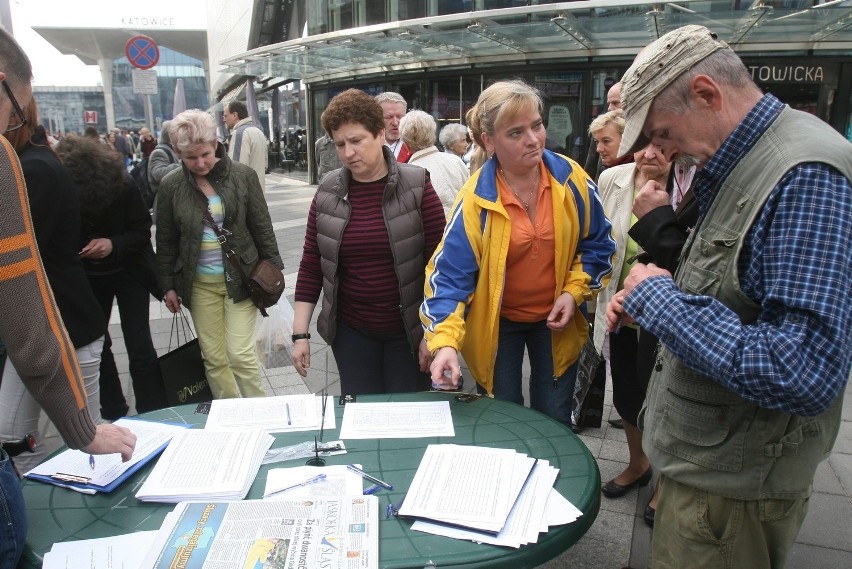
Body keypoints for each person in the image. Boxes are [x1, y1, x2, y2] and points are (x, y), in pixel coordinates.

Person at [606, 25, 852, 568]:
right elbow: (736, 285)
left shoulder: (804, 175)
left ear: (706, 94)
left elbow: (802, 368)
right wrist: (658, 287)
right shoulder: (745, 157)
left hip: (732, 490)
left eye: (661, 131)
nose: (656, 150)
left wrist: (661, 300)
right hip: (712, 468)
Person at [0, 29, 136, 568]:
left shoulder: (31, 166)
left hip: (71, 320)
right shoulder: (15, 165)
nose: (13, 123)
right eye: (15, 110)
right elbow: (22, 297)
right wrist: (80, 430)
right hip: (61, 321)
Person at [421, 79, 615, 429]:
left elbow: (599, 244)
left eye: (537, 125)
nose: (533, 139)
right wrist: (445, 343)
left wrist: (574, 293)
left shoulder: (571, 179)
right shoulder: (476, 199)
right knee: (502, 419)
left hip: (556, 322)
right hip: (498, 326)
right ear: (489, 141)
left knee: (554, 418)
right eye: (516, 133)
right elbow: (449, 276)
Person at [292, 89, 445, 395]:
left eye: (356, 140)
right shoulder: (327, 191)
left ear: (379, 134)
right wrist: (300, 334)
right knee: (360, 415)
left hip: (410, 332)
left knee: (407, 416)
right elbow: (312, 263)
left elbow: (440, 267)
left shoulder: (417, 185)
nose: (348, 153)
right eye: (340, 144)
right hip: (352, 332)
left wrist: (435, 333)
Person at [0, 104, 107, 472]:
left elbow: (22, 271)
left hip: (60, 327)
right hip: (53, 325)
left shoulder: (27, 168)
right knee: (15, 435)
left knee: (88, 447)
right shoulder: (38, 161)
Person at [156, 109, 282, 399]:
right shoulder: (171, 186)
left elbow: (262, 227)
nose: (200, 163)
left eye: (205, 154)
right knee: (213, 358)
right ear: (177, 152)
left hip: (241, 278)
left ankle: (261, 412)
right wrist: (167, 286)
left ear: (216, 142)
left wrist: (273, 272)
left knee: (239, 354)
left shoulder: (242, 176)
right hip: (198, 285)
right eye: (190, 158)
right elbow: (166, 240)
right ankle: (231, 416)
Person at [54, 135, 168, 419]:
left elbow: (142, 231)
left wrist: (112, 244)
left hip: (130, 271)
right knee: (97, 345)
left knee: (139, 344)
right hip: (88, 277)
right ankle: (114, 410)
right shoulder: (62, 191)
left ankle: (151, 412)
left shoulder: (124, 185)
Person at [592, 142, 672, 504]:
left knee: (664, 399)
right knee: (626, 392)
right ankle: (638, 464)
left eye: (659, 146)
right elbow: (597, 235)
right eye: (642, 146)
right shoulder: (612, 178)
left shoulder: (689, 185)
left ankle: (665, 485)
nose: (649, 154)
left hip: (668, 315)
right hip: (619, 309)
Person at [401, 110, 469, 217]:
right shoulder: (455, 161)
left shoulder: (408, 172)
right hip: (463, 227)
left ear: (406, 143)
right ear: (433, 134)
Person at [223, 100, 268, 188]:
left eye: (225, 115)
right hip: (259, 193)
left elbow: (236, 170)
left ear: (235, 115)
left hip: (245, 195)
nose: (224, 119)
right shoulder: (258, 131)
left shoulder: (240, 133)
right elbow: (265, 165)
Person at [584, 81, 622, 176]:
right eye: (608, 103)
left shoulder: (645, 135)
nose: (609, 108)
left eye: (615, 103)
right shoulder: (600, 131)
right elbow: (590, 172)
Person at [146, 120, 180, 218]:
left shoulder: (174, 150)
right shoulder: (160, 152)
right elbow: (158, 174)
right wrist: (183, 164)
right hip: (165, 203)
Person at [588, 109, 631, 174]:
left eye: (606, 141)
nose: (598, 149)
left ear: (625, 140)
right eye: (596, 142)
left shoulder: (641, 172)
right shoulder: (604, 170)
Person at [375, 91, 411, 163]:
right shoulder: (368, 145)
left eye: (399, 117)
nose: (395, 123)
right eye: (389, 117)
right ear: (377, 118)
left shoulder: (415, 146)